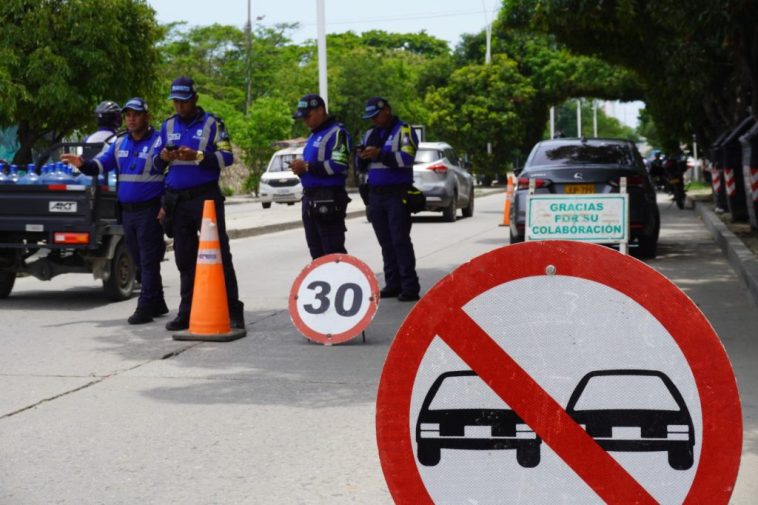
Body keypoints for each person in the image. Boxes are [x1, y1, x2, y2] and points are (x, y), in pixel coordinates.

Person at [61, 98, 167, 324]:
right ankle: (157, 301)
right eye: (128, 115)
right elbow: (98, 166)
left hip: (150, 211)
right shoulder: (119, 143)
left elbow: (172, 175)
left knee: (148, 259)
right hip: (127, 212)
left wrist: (166, 205)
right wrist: (81, 163)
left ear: (146, 116)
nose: (131, 118)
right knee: (139, 259)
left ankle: (145, 306)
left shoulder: (160, 141)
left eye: (136, 114)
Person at [152, 76, 245, 331]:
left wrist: (198, 156)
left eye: (184, 101)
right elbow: (155, 164)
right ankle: (187, 311)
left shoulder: (213, 124)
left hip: (205, 198)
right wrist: (163, 156)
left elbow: (227, 157)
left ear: (194, 99)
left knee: (220, 254)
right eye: (175, 102)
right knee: (184, 257)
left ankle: (233, 309)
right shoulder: (167, 125)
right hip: (177, 201)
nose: (179, 107)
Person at [355, 97, 420, 301]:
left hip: (397, 194)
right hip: (375, 194)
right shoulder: (369, 134)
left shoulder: (405, 130)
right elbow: (361, 166)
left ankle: (410, 286)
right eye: (370, 117)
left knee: (400, 240)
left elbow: (408, 158)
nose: (373, 120)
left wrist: (380, 153)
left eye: (376, 116)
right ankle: (393, 284)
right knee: (385, 242)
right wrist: (362, 156)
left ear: (387, 111)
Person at [289, 94, 351, 259]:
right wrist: (300, 169)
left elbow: (339, 164)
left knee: (332, 252)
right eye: (302, 118)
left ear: (320, 110)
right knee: (316, 253)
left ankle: (340, 282)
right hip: (310, 199)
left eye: (307, 116)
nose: (305, 121)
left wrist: (307, 166)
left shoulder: (337, 133)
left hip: (328, 199)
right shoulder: (313, 135)